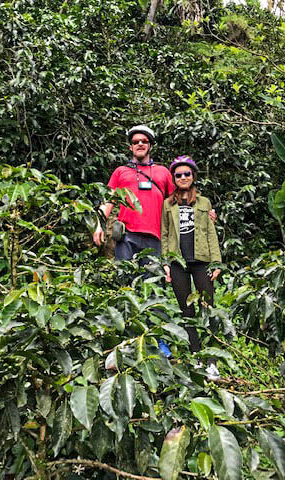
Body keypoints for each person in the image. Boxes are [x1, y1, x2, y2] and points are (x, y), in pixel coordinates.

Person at [161, 155, 222, 379]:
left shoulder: (204, 203)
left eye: (187, 174)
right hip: (178, 263)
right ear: (174, 179)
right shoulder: (168, 204)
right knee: (187, 311)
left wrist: (217, 262)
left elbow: (211, 233)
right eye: (179, 175)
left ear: (193, 176)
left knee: (208, 308)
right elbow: (165, 235)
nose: (183, 177)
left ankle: (212, 361)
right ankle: (196, 356)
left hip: (202, 261)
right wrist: (166, 262)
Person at [92, 125, 175, 265]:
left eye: (144, 141)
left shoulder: (163, 172)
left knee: (152, 282)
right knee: (124, 281)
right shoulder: (120, 171)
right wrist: (98, 224)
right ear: (131, 147)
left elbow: (176, 203)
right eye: (136, 142)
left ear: (150, 146)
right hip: (126, 236)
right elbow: (108, 200)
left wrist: (202, 215)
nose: (140, 144)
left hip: (155, 237)